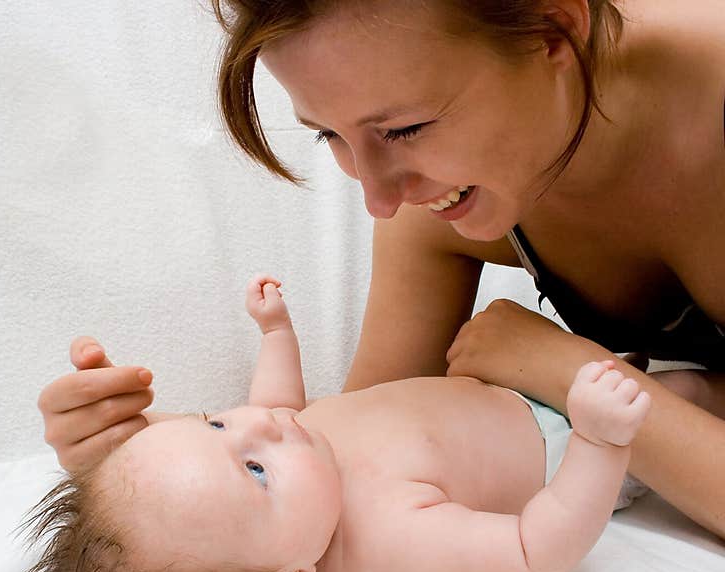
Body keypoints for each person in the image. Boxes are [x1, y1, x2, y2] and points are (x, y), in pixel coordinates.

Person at [37, 0, 725, 537]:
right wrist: (154, 455)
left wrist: (562, 369)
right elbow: (351, 446)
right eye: (330, 134)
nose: (378, 195)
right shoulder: (431, 202)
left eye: (404, 130)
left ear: (553, 31)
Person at [19, 276, 651, 572]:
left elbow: (274, 403)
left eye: (214, 422)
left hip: (514, 377)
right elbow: (533, 547)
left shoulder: (292, 453)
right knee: (697, 400)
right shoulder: (386, 536)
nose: (257, 424)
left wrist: (274, 333)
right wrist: (600, 444)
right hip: (566, 444)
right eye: (256, 471)